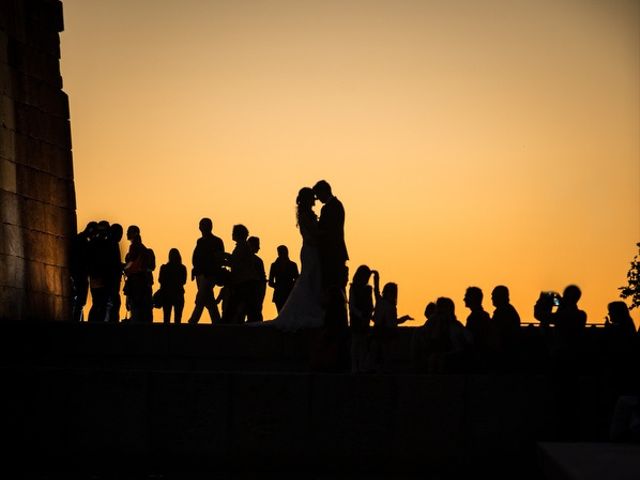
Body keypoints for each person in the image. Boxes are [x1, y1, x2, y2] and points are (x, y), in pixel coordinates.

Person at [268, 187, 324, 331]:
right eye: (312, 198)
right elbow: (312, 235)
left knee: (312, 279)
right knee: (310, 279)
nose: (315, 200)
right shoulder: (306, 216)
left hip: (311, 250)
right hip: (310, 250)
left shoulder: (306, 214)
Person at [312, 180, 349, 331]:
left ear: (323, 191)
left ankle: (335, 320)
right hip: (336, 253)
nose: (317, 199)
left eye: (318, 195)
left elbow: (328, 231)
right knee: (337, 287)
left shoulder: (329, 208)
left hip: (332, 254)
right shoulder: (337, 205)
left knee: (333, 288)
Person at [186, 218, 225, 324]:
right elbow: (197, 257)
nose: (201, 228)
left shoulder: (216, 241)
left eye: (202, 225)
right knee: (208, 299)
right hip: (200, 274)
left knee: (201, 298)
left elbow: (219, 258)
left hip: (210, 274)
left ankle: (193, 321)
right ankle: (217, 320)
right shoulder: (200, 241)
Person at [371, 280, 413, 372]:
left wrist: (404, 319)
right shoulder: (382, 302)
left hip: (388, 332)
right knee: (381, 353)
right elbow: (376, 290)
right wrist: (376, 276)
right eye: (391, 292)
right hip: (383, 332)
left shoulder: (390, 306)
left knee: (386, 354)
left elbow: (393, 322)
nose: (392, 295)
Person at [348, 265, 378, 373]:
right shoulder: (353, 288)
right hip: (357, 319)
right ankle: (354, 367)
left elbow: (371, 304)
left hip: (365, 319)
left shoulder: (368, 289)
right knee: (356, 343)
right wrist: (361, 315)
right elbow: (352, 306)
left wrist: (369, 315)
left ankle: (361, 366)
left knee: (363, 344)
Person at [123, 225, 155, 323]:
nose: (127, 233)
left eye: (129, 231)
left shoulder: (134, 247)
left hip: (136, 283)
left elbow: (132, 264)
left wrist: (124, 267)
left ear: (135, 233)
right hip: (144, 283)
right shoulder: (145, 249)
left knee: (136, 309)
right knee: (144, 310)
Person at [489, 285, 521, 371]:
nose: (492, 298)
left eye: (494, 296)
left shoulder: (503, 312)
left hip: (505, 352)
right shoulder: (507, 310)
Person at [464, 286, 491, 371]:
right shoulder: (483, 315)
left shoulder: (475, 317)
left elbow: (471, 339)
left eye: (467, 296)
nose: (464, 299)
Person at [158, 248, 187, 323]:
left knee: (166, 318)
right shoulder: (182, 268)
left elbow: (160, 280)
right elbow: (184, 281)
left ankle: (167, 334)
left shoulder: (164, 268)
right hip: (178, 294)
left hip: (166, 295)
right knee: (178, 320)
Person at [268, 245, 299, 313]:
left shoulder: (292, 265)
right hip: (281, 294)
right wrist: (279, 286)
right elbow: (270, 282)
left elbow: (297, 279)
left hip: (289, 293)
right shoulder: (275, 265)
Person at [247, 236, 267, 322]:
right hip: (254, 290)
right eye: (257, 245)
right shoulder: (257, 261)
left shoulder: (258, 261)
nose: (259, 248)